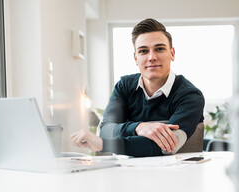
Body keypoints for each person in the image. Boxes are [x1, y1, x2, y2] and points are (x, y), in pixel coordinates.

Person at [71, 18, 204, 157]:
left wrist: (105, 144)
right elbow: (105, 130)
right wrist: (139, 127)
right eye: (143, 51)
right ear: (135, 58)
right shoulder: (124, 86)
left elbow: (166, 147)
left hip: (178, 174)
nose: (152, 57)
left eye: (159, 49)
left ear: (172, 53)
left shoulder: (190, 95)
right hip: (126, 172)